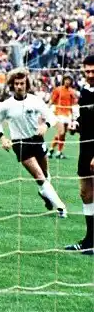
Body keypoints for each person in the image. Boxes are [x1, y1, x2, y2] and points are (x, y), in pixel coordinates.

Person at [0, 69, 66, 218]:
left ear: (27, 84)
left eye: (22, 83)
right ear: (12, 85)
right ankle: (61, 208)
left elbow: (51, 116)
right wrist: (2, 138)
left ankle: (43, 192)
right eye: (17, 83)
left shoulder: (35, 100)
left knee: (45, 175)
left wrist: (45, 126)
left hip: (37, 140)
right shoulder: (7, 105)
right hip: (20, 144)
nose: (19, 86)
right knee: (39, 175)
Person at [66, 55, 94, 253]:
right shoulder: (85, 91)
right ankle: (89, 240)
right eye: (87, 71)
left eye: (93, 71)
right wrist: (75, 126)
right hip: (85, 148)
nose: (90, 74)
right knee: (86, 193)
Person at [48, 75, 77, 159]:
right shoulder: (58, 90)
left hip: (67, 115)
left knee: (62, 135)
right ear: (63, 80)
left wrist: (72, 117)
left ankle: (55, 151)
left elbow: (72, 104)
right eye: (66, 80)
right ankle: (54, 150)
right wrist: (46, 109)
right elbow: (52, 100)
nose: (67, 81)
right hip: (59, 114)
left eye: (69, 80)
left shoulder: (71, 92)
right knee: (61, 132)